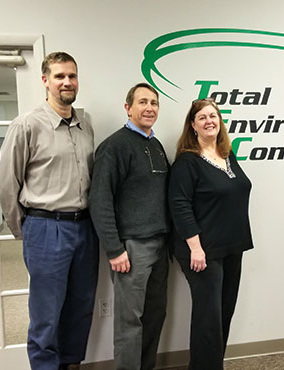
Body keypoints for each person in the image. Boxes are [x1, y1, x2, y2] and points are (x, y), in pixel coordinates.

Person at [0, 52, 99, 370]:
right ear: (45, 81)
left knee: (80, 306)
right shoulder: (27, 124)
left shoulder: (86, 123)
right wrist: (23, 229)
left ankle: (70, 364)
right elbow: (5, 185)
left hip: (84, 227)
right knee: (47, 312)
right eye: (59, 76)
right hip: (45, 227)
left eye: (72, 75)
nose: (67, 82)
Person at [88, 83, 170, 370]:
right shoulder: (114, 147)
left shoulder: (156, 146)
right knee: (129, 323)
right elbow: (99, 200)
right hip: (131, 249)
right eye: (143, 102)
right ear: (128, 108)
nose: (149, 108)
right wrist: (114, 249)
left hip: (160, 245)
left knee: (155, 315)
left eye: (154, 103)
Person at [168, 98, 254, 370]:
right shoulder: (187, 162)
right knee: (209, 319)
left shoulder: (227, 154)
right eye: (202, 117)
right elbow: (179, 205)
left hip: (231, 247)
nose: (209, 121)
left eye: (213, 116)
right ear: (193, 125)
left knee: (223, 315)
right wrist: (195, 247)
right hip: (202, 251)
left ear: (220, 121)